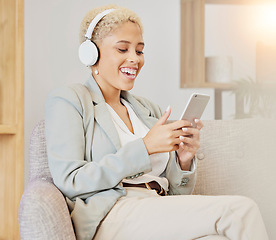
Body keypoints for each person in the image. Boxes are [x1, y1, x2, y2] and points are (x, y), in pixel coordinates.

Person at [45, 4, 269, 240]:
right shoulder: (69, 100)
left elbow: (176, 194)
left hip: (155, 209)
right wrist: (145, 147)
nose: (134, 59)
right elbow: (70, 180)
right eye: (123, 49)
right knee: (240, 210)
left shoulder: (145, 109)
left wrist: (183, 161)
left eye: (139, 51)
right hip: (111, 213)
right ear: (91, 53)